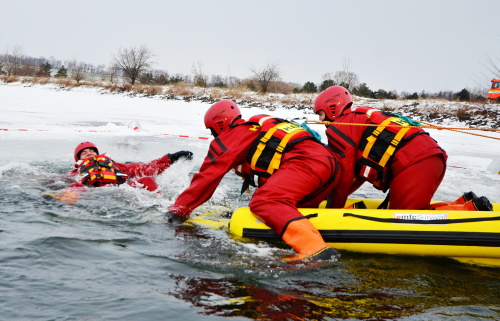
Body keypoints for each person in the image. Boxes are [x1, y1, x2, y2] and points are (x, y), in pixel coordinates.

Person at [165, 99, 341, 263]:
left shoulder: (231, 137)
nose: (213, 136)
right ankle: (307, 234)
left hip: (306, 164)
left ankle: (316, 250)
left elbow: (206, 178)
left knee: (264, 201)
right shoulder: (256, 128)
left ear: (219, 125)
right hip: (328, 164)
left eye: (212, 132)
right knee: (279, 205)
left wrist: (177, 211)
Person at [312, 85, 492, 212]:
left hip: (413, 163)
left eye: (320, 113)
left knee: (407, 219)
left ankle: (471, 209)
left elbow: (343, 176)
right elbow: (359, 174)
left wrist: (332, 210)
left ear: (332, 107)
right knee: (413, 212)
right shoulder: (361, 117)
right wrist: (326, 199)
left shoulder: (340, 127)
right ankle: (465, 204)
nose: (320, 120)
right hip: (429, 158)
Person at [43, 141, 193, 202]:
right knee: (74, 188)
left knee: (147, 180)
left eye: (91, 151)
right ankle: (59, 202)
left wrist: (171, 158)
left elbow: (145, 168)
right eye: (84, 153)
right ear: (78, 159)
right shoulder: (75, 172)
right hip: (91, 190)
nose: (89, 153)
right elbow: (58, 180)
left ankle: (162, 206)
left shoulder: (116, 166)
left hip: (119, 189)